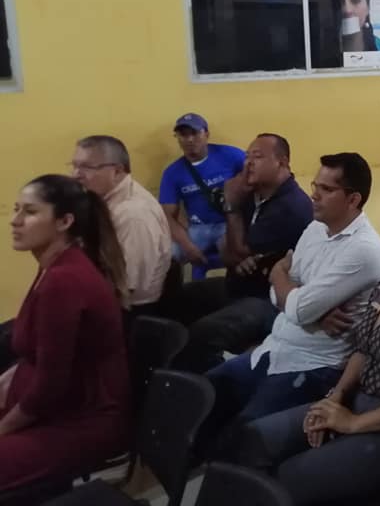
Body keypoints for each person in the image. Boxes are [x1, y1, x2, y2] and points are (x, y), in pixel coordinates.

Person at [235, 198, 380, 506]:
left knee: (291, 477)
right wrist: (335, 399)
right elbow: (362, 349)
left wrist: (352, 423)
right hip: (356, 399)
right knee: (256, 439)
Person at [201, 153, 380, 455]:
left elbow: (297, 305)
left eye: (326, 189)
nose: (314, 194)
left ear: (353, 199)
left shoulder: (364, 250)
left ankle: (220, 473)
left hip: (313, 365)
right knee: (206, 392)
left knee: (244, 433)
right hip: (275, 347)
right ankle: (187, 464)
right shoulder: (315, 229)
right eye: (316, 185)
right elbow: (279, 299)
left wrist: (279, 275)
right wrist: (301, 301)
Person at [0, 175, 130, 490]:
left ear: (64, 222)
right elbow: (39, 353)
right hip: (51, 409)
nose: (15, 221)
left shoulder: (64, 280)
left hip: (81, 420)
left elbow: (50, 386)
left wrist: (3, 428)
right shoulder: (53, 266)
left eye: (30, 212)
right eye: (16, 209)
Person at [173, 133, 314, 373]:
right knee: (180, 297)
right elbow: (229, 253)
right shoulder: (253, 194)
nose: (248, 162)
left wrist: (231, 206)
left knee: (204, 333)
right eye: (247, 156)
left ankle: (213, 385)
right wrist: (238, 253)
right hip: (240, 284)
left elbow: (236, 250)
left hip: (269, 299)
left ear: (281, 162)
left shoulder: (291, 206)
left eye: (257, 157)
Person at [71, 135, 172, 314]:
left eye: (86, 167)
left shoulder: (132, 214)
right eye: (75, 166)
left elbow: (128, 286)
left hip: (130, 311)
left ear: (117, 171)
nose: (76, 175)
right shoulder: (101, 199)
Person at [159, 113, 246, 269]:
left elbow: (255, 177)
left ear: (206, 134)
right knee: (167, 254)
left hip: (230, 224)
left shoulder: (230, 155)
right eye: (183, 135)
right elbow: (167, 216)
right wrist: (188, 246)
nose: (190, 139)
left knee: (235, 253)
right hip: (198, 228)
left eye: (195, 133)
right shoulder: (172, 173)